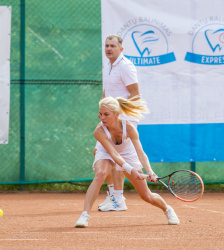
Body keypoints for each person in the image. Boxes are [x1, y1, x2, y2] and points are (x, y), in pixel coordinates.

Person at [75, 96, 180, 228]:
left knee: (147, 196)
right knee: (100, 173)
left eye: (106, 114)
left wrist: (150, 171)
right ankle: (85, 215)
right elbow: (114, 154)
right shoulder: (99, 131)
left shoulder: (129, 128)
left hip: (128, 154)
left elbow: (140, 153)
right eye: (100, 114)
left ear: (116, 114)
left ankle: (167, 209)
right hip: (106, 152)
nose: (102, 118)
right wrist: (131, 170)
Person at [96, 34, 140, 212]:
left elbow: (135, 94)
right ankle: (114, 196)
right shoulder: (109, 66)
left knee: (116, 158)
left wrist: (118, 116)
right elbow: (106, 93)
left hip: (124, 119)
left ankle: (118, 198)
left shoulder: (126, 66)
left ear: (120, 49)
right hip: (110, 117)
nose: (109, 48)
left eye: (112, 46)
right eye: (107, 45)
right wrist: (102, 112)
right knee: (101, 154)